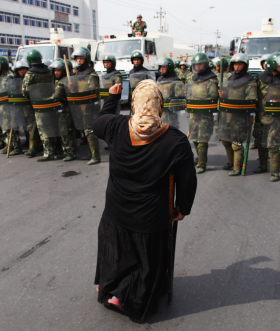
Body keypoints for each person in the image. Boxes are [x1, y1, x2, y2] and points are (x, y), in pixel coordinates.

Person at [93, 80, 197, 320]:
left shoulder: (115, 126)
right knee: (145, 260)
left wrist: (111, 98)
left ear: (134, 103)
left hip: (115, 211)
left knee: (115, 251)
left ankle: (108, 286)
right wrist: (183, 207)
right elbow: (187, 179)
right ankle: (123, 295)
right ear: (159, 105)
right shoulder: (176, 140)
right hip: (150, 218)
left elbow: (99, 119)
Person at [255, 52, 280, 182]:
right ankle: (262, 165)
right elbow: (252, 95)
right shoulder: (259, 79)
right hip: (260, 116)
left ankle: (274, 172)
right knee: (261, 142)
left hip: (276, 117)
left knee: (273, 144)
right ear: (273, 65)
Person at [218, 53, 257, 176]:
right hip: (227, 115)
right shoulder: (230, 78)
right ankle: (231, 161)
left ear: (244, 65)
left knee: (236, 143)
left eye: (239, 64)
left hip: (240, 116)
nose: (237, 66)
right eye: (235, 64)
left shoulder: (250, 81)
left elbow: (252, 100)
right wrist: (223, 95)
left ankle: (237, 167)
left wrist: (250, 116)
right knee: (225, 140)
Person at [186, 52, 219, 174]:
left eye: (200, 64)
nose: (198, 66)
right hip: (193, 114)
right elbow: (189, 93)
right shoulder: (193, 78)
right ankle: (200, 158)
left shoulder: (211, 79)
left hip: (205, 114)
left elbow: (213, 97)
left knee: (202, 139)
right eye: (196, 64)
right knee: (194, 138)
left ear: (205, 64)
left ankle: (202, 164)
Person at [23, 49, 54, 160]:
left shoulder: (30, 74)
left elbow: (25, 91)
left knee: (41, 129)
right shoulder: (49, 71)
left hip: (37, 104)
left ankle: (48, 153)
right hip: (50, 102)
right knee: (49, 126)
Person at [52, 59, 78, 161]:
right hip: (64, 108)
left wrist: (45, 100)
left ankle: (70, 152)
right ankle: (68, 151)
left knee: (65, 131)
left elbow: (56, 96)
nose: (56, 72)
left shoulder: (63, 81)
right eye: (55, 70)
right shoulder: (59, 81)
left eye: (58, 70)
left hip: (65, 109)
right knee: (68, 130)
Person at [156, 57, 184, 128]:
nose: (161, 69)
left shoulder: (175, 81)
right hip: (161, 111)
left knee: (172, 129)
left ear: (169, 67)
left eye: (164, 67)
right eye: (161, 67)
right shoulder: (159, 80)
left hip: (171, 112)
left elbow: (180, 96)